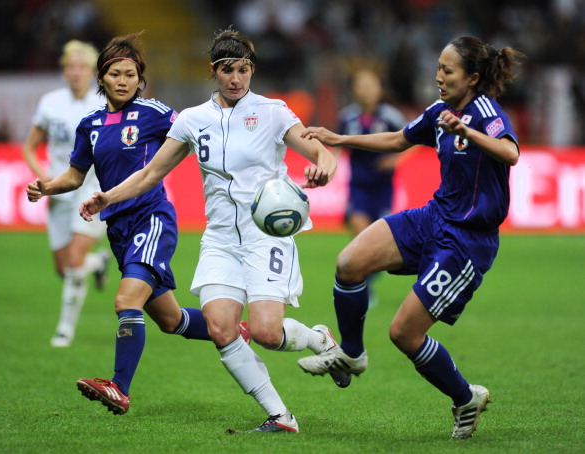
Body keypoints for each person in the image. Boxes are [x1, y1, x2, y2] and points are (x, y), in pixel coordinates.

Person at [78, 27, 343, 433]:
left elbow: (316, 149)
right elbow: (151, 173)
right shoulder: (192, 119)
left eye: (243, 70)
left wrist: (323, 163)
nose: (236, 79)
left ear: (252, 70)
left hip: (265, 234)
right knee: (219, 327)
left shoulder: (273, 111)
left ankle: (318, 338)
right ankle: (281, 416)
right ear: (213, 72)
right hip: (219, 238)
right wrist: (107, 197)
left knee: (267, 333)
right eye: (227, 71)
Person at [298, 36, 525, 439]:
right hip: (433, 217)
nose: (438, 77)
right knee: (350, 263)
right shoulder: (440, 110)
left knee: (404, 333)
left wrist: (467, 132)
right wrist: (339, 138)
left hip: (467, 241)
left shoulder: (485, 111)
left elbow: (510, 153)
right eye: (438, 67)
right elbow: (400, 139)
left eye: (447, 70)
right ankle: (351, 353)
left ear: (472, 78)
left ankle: (464, 397)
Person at [26, 32, 247, 416]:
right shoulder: (90, 125)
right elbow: (76, 176)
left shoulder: (154, 113)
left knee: (126, 301)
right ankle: (235, 330)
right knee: (171, 320)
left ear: (139, 79)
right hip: (118, 230)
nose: (124, 80)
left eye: (131, 74)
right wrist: (45, 187)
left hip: (153, 219)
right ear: (102, 79)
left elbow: (198, 131)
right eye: (116, 74)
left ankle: (119, 388)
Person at [21, 39, 110, 348]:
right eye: (70, 67)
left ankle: (64, 330)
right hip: (58, 191)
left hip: (92, 189)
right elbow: (30, 146)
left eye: (82, 67)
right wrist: (42, 173)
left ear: (93, 72)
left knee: (73, 262)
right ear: (63, 70)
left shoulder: (104, 103)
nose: (76, 72)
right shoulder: (50, 103)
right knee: (63, 268)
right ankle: (99, 263)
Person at [338, 66, 408, 305]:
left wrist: (395, 159)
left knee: (378, 239)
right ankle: (362, 283)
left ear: (380, 88)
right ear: (354, 89)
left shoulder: (391, 116)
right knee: (359, 229)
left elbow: (414, 140)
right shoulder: (347, 117)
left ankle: (368, 274)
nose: (366, 90)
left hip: (382, 188)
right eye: (361, 85)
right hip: (358, 186)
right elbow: (337, 146)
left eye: (370, 84)